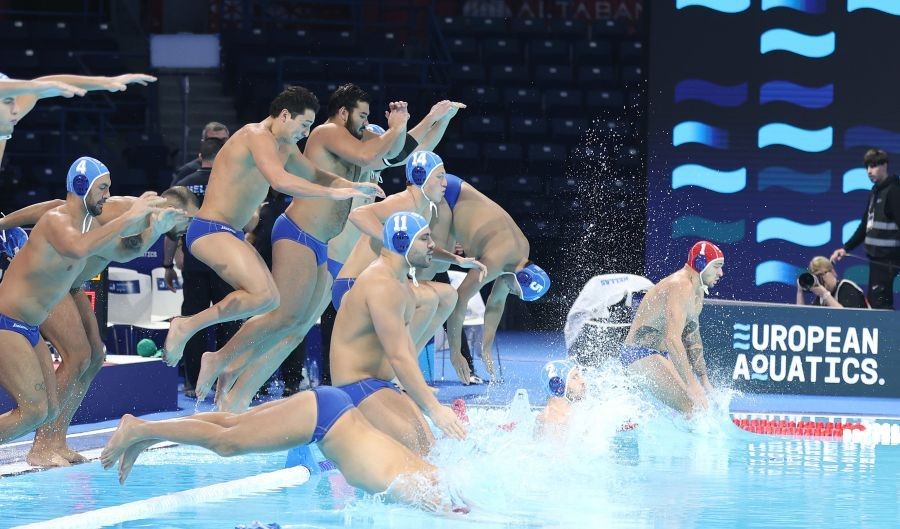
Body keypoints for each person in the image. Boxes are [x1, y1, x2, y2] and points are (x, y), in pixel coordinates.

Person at [192, 84, 402, 408]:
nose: (365, 123)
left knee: (293, 329)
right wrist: (399, 127)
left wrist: (426, 123)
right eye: (362, 116)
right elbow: (291, 179)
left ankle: (235, 389)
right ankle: (220, 358)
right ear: (343, 112)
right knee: (280, 315)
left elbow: (396, 153)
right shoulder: (328, 134)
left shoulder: (334, 148)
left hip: (324, 246)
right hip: (299, 234)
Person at [158, 86, 382, 370]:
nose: (306, 132)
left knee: (270, 300)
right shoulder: (256, 135)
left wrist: (353, 186)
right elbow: (280, 181)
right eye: (304, 124)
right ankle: (186, 326)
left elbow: (314, 174)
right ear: (285, 115)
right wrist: (333, 194)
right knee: (264, 296)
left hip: (232, 233)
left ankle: (214, 355)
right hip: (209, 230)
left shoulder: (284, 146)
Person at [0, 156, 181, 450]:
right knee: (36, 409)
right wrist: (132, 217)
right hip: (8, 322)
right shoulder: (61, 220)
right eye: (102, 188)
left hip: (30, 324)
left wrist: (155, 231)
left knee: (49, 409)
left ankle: (50, 443)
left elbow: (125, 251)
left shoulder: (89, 222)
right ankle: (44, 447)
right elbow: (77, 246)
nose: (108, 194)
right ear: (82, 185)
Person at [100, 385, 470, 513]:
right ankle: (138, 428)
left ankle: (146, 436)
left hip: (330, 411)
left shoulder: (427, 481)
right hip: (327, 421)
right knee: (228, 443)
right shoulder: (422, 490)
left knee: (232, 425)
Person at [319, 102, 465, 385]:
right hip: (336, 258)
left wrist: (442, 119)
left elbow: (418, 151)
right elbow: (361, 212)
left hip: (358, 262)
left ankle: (393, 372)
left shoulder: (381, 176)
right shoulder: (355, 168)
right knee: (302, 325)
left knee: (438, 297)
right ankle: (365, 376)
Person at [331, 212, 467, 455]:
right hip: (358, 389)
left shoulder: (400, 282)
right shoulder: (382, 285)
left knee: (431, 453)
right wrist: (435, 409)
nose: (432, 245)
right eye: (424, 238)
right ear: (402, 241)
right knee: (422, 458)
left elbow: (405, 349)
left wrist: (424, 398)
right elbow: (398, 356)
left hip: (379, 384)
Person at [334, 152, 485, 353]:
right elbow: (358, 214)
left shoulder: (425, 210)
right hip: (352, 287)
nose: (445, 184)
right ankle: (397, 360)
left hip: (380, 287)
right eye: (439, 176)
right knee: (429, 299)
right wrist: (391, 240)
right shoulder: (404, 202)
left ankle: (407, 358)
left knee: (448, 295)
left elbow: (422, 247)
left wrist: (458, 260)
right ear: (420, 176)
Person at [437, 174, 552, 384]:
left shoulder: (520, 256)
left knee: (439, 270)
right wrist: (455, 353)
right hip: (447, 194)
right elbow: (459, 299)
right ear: (520, 278)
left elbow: (496, 302)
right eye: (515, 291)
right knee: (433, 268)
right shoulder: (496, 261)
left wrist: (486, 348)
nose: (510, 292)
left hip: (455, 203)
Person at [165, 137, 243, 397]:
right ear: (222, 158)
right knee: (229, 321)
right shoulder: (230, 183)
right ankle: (224, 380)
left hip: (194, 262)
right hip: (225, 263)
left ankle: (191, 383)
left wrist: (167, 263)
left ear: (199, 156)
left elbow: (170, 228)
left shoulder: (183, 185)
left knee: (193, 320)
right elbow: (245, 222)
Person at [619, 241, 722, 415]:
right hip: (638, 353)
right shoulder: (680, 285)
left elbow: (692, 335)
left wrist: (704, 380)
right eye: (717, 266)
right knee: (692, 407)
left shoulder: (698, 290)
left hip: (660, 354)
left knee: (701, 408)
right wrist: (692, 384)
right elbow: (672, 339)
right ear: (701, 264)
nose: (721, 273)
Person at [0, 71, 156, 162]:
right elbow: (35, 86)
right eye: (7, 101)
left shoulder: (9, 117)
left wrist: (104, 82)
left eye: (15, 101)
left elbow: (39, 88)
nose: (16, 109)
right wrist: (35, 86)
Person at [831, 148, 900, 309]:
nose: (869, 171)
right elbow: (865, 226)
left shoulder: (894, 191)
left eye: (874, 166)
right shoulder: (875, 191)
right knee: (875, 303)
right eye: (867, 166)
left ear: (885, 165)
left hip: (889, 260)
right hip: (877, 260)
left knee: (880, 305)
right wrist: (846, 248)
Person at [534, 360, 587, 438]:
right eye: (575, 377)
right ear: (558, 387)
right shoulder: (557, 424)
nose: (583, 381)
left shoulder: (572, 414)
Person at [796, 256, 869, 309]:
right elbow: (803, 318)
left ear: (833, 272)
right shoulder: (821, 297)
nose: (820, 280)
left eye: (821, 274)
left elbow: (847, 318)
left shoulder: (847, 287)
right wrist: (800, 292)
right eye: (816, 277)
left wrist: (825, 294)